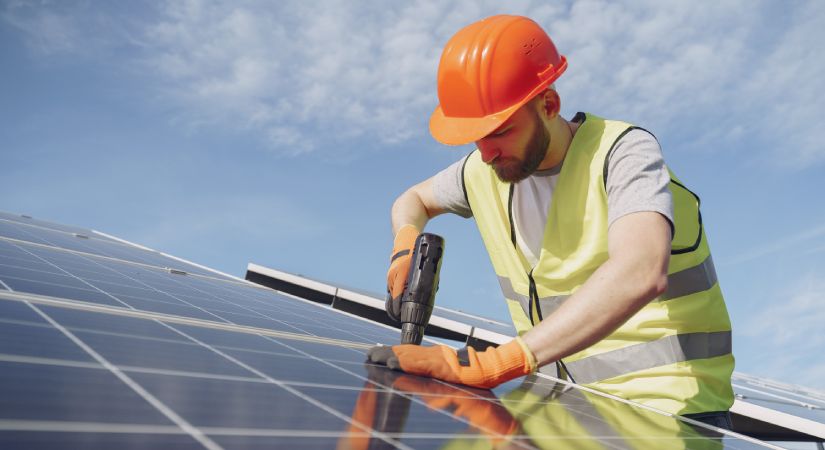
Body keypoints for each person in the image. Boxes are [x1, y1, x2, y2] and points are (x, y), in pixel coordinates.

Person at [368, 14, 735, 425]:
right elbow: (413, 199)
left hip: (665, 411)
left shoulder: (623, 153)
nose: (487, 152)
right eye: (476, 136)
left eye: (501, 131)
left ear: (549, 105)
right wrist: (405, 242)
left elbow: (641, 270)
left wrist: (499, 363)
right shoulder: (482, 171)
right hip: (559, 407)